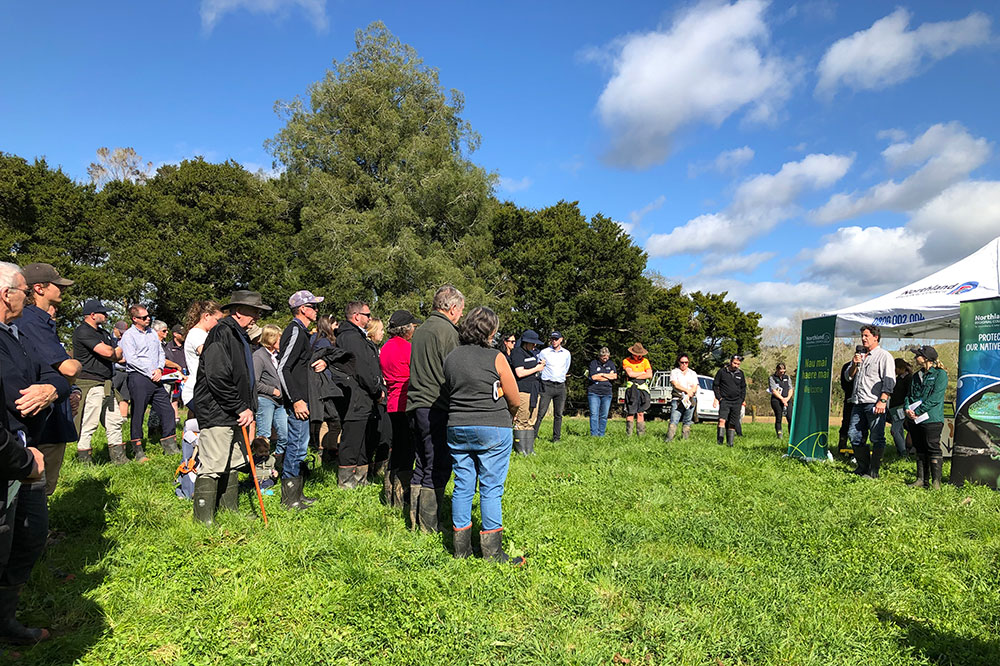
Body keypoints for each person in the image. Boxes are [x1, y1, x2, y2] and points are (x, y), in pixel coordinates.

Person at [0, 262, 69, 644]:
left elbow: (56, 372)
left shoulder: (16, 331)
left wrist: (51, 389)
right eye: (22, 291)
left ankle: (7, 618)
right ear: (4, 294)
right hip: (10, 452)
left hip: (25, 450)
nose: (25, 299)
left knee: (29, 533)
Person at [443, 306, 524, 565]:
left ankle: (461, 550)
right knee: (490, 488)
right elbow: (514, 397)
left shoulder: (452, 357)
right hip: (493, 427)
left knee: (463, 486)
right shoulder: (497, 357)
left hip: (457, 426)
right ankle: (492, 553)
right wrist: (508, 414)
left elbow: (448, 392)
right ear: (490, 331)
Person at [191, 291, 270, 524]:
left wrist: (246, 407)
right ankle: (203, 519)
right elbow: (217, 376)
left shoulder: (239, 334)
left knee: (234, 461)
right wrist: (239, 406)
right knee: (213, 463)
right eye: (254, 311)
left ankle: (229, 511)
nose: (257, 316)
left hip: (235, 412)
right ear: (238, 311)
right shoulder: (221, 333)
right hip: (218, 411)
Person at [16, 263, 81, 495]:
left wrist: (70, 391)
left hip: (52, 411)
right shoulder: (32, 322)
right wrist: (74, 371)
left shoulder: (39, 321)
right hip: (44, 420)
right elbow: (69, 368)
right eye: (57, 285)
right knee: (39, 486)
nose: (62, 289)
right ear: (39, 289)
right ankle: (40, 530)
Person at [406, 284, 464, 532]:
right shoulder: (447, 332)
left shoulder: (420, 330)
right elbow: (454, 370)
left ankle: (414, 521)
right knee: (438, 465)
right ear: (452, 308)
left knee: (421, 463)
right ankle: (429, 526)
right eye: (460, 311)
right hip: (436, 405)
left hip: (416, 403)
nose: (461, 315)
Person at [276, 290, 324, 509]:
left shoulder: (303, 332)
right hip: (298, 401)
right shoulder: (295, 330)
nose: (316, 310)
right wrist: (296, 399)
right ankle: (289, 500)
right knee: (296, 446)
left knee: (301, 446)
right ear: (302, 309)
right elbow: (283, 367)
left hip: (304, 398)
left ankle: (297, 493)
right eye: (313, 306)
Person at [120, 304, 179, 458]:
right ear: (134, 319)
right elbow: (131, 359)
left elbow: (160, 353)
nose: (148, 319)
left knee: (167, 410)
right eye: (144, 317)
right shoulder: (129, 336)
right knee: (138, 413)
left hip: (156, 376)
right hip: (138, 377)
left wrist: (159, 369)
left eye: (149, 316)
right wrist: (149, 372)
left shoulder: (152, 333)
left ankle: (170, 445)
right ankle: (137, 449)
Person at [72, 299, 127, 464]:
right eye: (103, 313)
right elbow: (108, 352)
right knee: (89, 422)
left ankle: (118, 457)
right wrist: (112, 352)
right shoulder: (82, 331)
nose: (106, 315)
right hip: (90, 382)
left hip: (106, 383)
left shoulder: (103, 333)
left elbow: (119, 354)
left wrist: (112, 352)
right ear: (92, 315)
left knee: (115, 420)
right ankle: (84, 459)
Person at [334, 302, 382, 489]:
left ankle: (361, 479)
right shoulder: (351, 337)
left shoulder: (357, 336)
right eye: (367, 315)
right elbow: (362, 368)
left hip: (362, 397)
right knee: (352, 440)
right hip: (354, 395)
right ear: (356, 316)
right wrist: (376, 390)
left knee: (362, 439)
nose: (370, 318)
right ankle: (346, 483)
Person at [380, 310, 420, 508]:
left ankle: (389, 493)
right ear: (405, 328)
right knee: (407, 451)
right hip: (406, 403)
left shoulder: (385, 347)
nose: (414, 329)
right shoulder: (408, 348)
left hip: (392, 402)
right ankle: (401, 497)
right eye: (412, 326)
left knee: (396, 449)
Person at [846, 325, 896, 479]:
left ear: (876, 337)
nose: (863, 338)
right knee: (853, 434)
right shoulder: (860, 356)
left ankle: (873, 471)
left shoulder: (884, 356)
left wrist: (883, 400)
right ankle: (863, 467)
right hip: (858, 402)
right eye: (862, 335)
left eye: (866, 335)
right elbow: (848, 376)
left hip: (874, 403)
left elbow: (889, 380)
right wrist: (855, 363)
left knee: (877, 437)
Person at [179, 300, 223, 470]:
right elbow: (210, 355)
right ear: (206, 316)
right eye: (216, 319)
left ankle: (195, 462)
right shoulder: (197, 334)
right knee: (209, 429)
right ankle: (194, 464)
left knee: (203, 428)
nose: (217, 324)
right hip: (197, 390)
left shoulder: (202, 334)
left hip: (201, 389)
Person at [906, 346, 948, 490]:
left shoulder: (940, 375)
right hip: (915, 418)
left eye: (917, 355)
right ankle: (921, 479)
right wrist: (907, 408)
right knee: (920, 448)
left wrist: (918, 410)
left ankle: (936, 482)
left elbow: (936, 397)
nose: (914, 357)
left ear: (925, 358)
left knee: (933, 447)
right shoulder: (916, 376)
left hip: (932, 418)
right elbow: (909, 395)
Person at [253, 324, 287, 474]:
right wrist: (271, 390)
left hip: (280, 402)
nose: (282, 341)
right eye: (279, 338)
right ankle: (261, 468)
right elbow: (255, 382)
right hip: (265, 400)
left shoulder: (277, 356)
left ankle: (277, 460)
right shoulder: (259, 356)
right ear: (271, 339)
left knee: (285, 433)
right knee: (264, 436)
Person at [309, 315, 341, 465]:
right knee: (333, 420)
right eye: (335, 324)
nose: (337, 327)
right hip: (325, 383)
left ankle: (327, 451)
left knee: (328, 420)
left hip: (324, 383)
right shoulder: (323, 342)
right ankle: (329, 451)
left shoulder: (316, 339)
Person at [509, 329, 545, 454]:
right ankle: (520, 449)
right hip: (523, 390)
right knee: (522, 419)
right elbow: (519, 372)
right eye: (532, 343)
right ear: (525, 342)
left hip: (535, 389)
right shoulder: (518, 353)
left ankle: (529, 449)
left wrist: (540, 366)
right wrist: (537, 368)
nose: (535, 345)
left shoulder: (532, 353)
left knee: (531, 420)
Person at [534, 332, 571, 443]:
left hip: (560, 385)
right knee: (541, 412)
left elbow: (566, 368)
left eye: (556, 339)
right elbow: (539, 366)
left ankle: (556, 438)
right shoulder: (544, 352)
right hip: (547, 385)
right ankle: (533, 435)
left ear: (561, 340)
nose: (554, 341)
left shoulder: (566, 353)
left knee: (558, 414)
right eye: (552, 339)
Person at [836, 345, 868, 457]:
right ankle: (842, 447)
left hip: (863, 400)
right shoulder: (847, 366)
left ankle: (860, 449)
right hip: (850, 400)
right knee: (846, 424)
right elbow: (844, 383)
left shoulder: (867, 365)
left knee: (863, 426)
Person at [713, 355, 746, 447]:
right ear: (731, 362)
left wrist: (741, 399)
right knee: (722, 420)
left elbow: (743, 387)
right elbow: (715, 385)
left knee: (732, 422)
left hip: (736, 402)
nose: (736, 365)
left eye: (738, 364)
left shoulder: (740, 373)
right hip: (725, 401)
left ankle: (730, 444)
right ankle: (719, 442)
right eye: (735, 363)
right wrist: (719, 398)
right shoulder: (722, 372)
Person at [622, 343, 652, 436]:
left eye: (640, 354)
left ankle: (641, 435)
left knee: (640, 413)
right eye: (636, 354)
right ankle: (629, 435)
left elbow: (649, 375)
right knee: (631, 413)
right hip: (632, 389)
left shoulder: (645, 361)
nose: (638, 356)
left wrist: (636, 374)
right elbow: (630, 374)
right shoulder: (626, 361)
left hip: (643, 389)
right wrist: (642, 372)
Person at [586, 347, 617, 437]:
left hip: (607, 393)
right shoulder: (593, 363)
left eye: (607, 356)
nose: (605, 358)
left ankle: (601, 434)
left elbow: (614, 376)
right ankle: (594, 435)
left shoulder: (611, 364)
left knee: (604, 415)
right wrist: (608, 376)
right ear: (599, 356)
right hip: (594, 392)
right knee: (594, 414)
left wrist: (602, 374)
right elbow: (594, 377)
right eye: (603, 356)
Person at [667, 353, 698, 442]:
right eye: (682, 362)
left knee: (687, 421)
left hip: (690, 399)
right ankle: (669, 440)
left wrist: (689, 394)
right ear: (678, 362)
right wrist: (687, 390)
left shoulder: (692, 373)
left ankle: (685, 440)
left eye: (686, 362)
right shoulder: (674, 372)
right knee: (674, 420)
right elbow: (675, 384)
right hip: (678, 399)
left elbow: (695, 386)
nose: (684, 364)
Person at [888, 358, 913, 458]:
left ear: (901, 368)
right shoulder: (898, 379)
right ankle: (901, 450)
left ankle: (903, 451)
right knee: (899, 430)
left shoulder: (908, 379)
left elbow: (909, 393)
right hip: (894, 408)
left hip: (901, 407)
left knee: (894, 430)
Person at [768, 362, 793, 440]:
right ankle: (779, 435)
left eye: (783, 370)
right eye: (780, 371)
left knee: (790, 418)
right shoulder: (772, 378)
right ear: (777, 370)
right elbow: (774, 390)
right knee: (779, 417)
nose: (782, 372)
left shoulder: (787, 377)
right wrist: (782, 399)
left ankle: (791, 436)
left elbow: (791, 389)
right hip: (777, 400)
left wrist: (787, 398)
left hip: (787, 399)